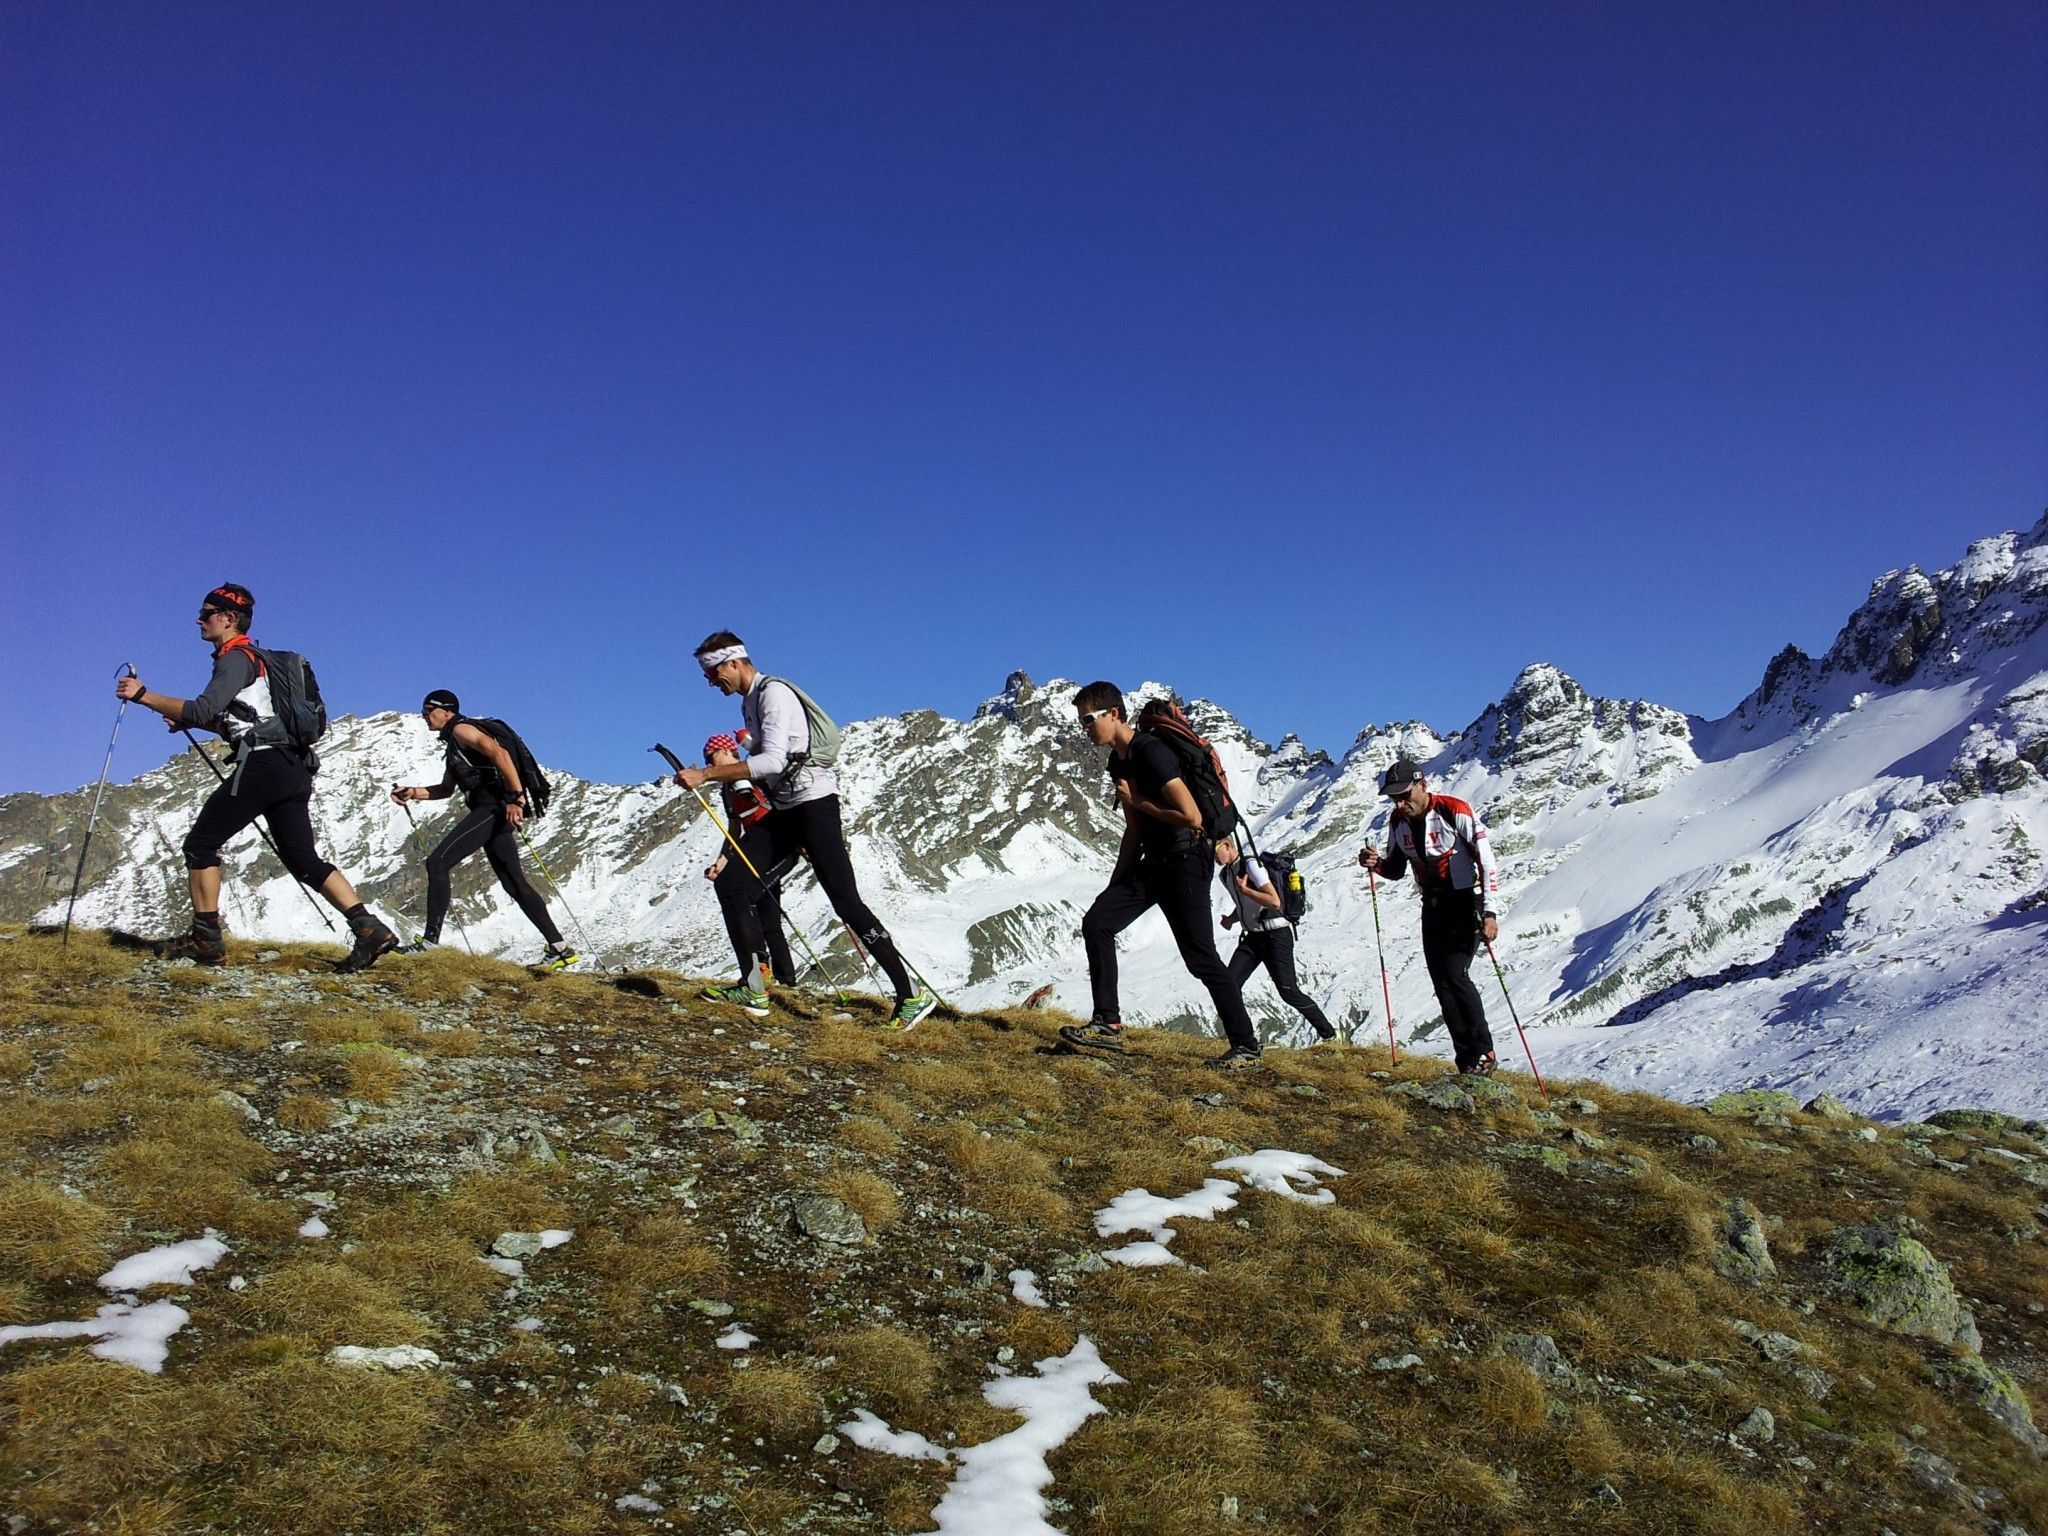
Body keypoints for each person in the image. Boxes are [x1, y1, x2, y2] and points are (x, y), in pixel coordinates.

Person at [115, 583, 397, 971]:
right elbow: (246, 721)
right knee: (303, 858)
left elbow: (202, 708)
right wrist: (197, 723)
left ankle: (206, 940)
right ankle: (370, 929)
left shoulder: (235, 659)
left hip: (263, 767)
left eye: (207, 612)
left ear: (229, 619)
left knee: (201, 844)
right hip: (294, 767)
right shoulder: (261, 662)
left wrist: (143, 694)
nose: (200, 619)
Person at [673, 632, 936, 1029]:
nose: (711, 681)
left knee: (846, 903)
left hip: (814, 808)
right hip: (785, 811)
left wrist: (707, 774)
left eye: (712, 672)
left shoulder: (772, 693)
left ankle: (908, 996)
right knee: (732, 885)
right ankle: (752, 986)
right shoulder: (749, 703)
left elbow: (772, 762)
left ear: (734, 662)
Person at [1057, 681, 1263, 1068]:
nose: (1084, 728)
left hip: (1187, 861)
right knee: (1098, 922)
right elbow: (1133, 830)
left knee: (1200, 958)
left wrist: (1139, 802)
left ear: (1113, 714)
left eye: (1088, 719)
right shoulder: (1118, 761)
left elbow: (1192, 816)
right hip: (1153, 862)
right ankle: (1107, 1023)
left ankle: (1246, 1044)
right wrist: (1115, 886)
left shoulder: (1152, 752)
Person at [389, 690, 579, 971]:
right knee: (514, 882)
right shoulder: (454, 742)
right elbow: (445, 790)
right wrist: (413, 792)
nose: (424, 716)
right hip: (492, 810)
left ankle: (429, 943)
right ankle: (560, 949)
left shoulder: (463, 730)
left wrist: (516, 797)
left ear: (447, 711)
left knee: (437, 862)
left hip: (491, 809)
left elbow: (498, 752)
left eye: (429, 711)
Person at [1359, 757, 1501, 1075]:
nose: (1400, 802)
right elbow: (1395, 869)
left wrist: (1489, 913)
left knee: (1455, 974)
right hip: (1432, 906)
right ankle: (1465, 1058)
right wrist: (1374, 863)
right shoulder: (1398, 823)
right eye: (1394, 797)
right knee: (1441, 982)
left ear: (1422, 785)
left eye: (1405, 794)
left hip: (1465, 902)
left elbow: (1486, 862)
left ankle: (1484, 1051)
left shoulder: (1454, 810)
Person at [698, 732, 796, 1014]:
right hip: (754, 846)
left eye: (712, 756)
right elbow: (734, 827)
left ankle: (764, 976)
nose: (709, 761)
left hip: (776, 844)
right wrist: (722, 858)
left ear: (729, 753)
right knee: (765, 909)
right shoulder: (727, 790)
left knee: (747, 897)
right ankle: (770, 976)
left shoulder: (754, 774)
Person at [1216, 836, 1337, 1045]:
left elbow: (1273, 900)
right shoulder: (1225, 874)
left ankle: (1329, 1035)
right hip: (1253, 936)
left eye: (1213, 849)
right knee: (1229, 985)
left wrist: (1245, 890)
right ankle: (1243, 1040)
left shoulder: (1251, 865)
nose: (1212, 856)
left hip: (1276, 934)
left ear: (1227, 845)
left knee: (1288, 991)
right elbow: (1246, 903)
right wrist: (1232, 919)